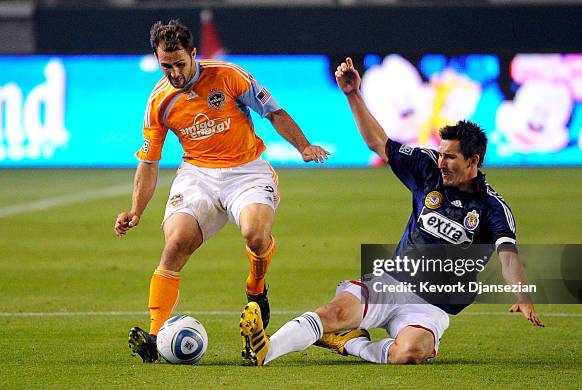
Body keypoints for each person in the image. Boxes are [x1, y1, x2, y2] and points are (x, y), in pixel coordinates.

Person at [239, 57, 544, 366]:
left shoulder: (493, 209)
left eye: (450, 158)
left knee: (409, 353)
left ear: (473, 162)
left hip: (433, 306)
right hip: (393, 282)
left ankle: (352, 344)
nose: (441, 163)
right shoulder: (428, 168)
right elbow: (378, 143)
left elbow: (508, 258)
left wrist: (523, 295)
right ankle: (265, 350)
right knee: (333, 313)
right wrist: (352, 95)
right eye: (441, 154)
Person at [115, 20, 330, 363]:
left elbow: (273, 112)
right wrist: (136, 210)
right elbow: (149, 161)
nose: (173, 73)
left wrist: (303, 146)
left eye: (179, 64)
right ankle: (154, 336)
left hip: (247, 170)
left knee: (255, 235)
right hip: (198, 176)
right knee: (174, 246)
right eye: (165, 66)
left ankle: (256, 289)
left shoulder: (228, 75)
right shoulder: (159, 101)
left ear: (194, 55)